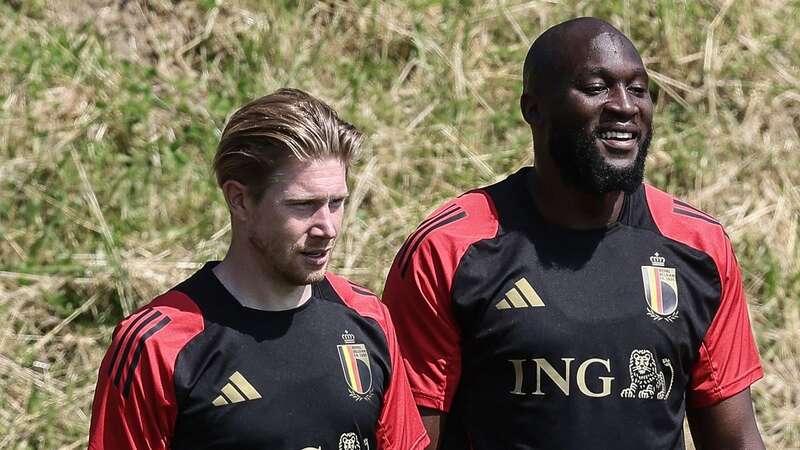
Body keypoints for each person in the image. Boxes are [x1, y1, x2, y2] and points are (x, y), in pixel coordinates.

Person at [382, 17, 764, 450]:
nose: (624, 106)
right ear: (533, 108)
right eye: (597, 87)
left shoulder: (698, 245)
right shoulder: (450, 248)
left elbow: (735, 439)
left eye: (638, 89)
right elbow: (407, 440)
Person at [88, 88, 429, 450]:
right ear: (240, 200)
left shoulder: (368, 317)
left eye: (337, 203)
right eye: (303, 205)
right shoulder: (157, 345)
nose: (327, 227)